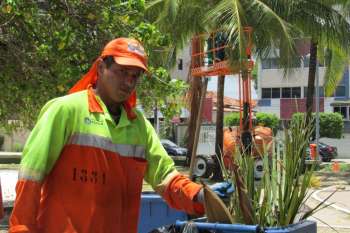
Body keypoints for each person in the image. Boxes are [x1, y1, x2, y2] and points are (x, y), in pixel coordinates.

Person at [9, 38, 233, 233]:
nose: (129, 82)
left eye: (135, 76)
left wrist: (200, 195)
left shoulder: (139, 127)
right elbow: (31, 177)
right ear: (100, 68)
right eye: (122, 72)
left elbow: (165, 178)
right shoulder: (65, 111)